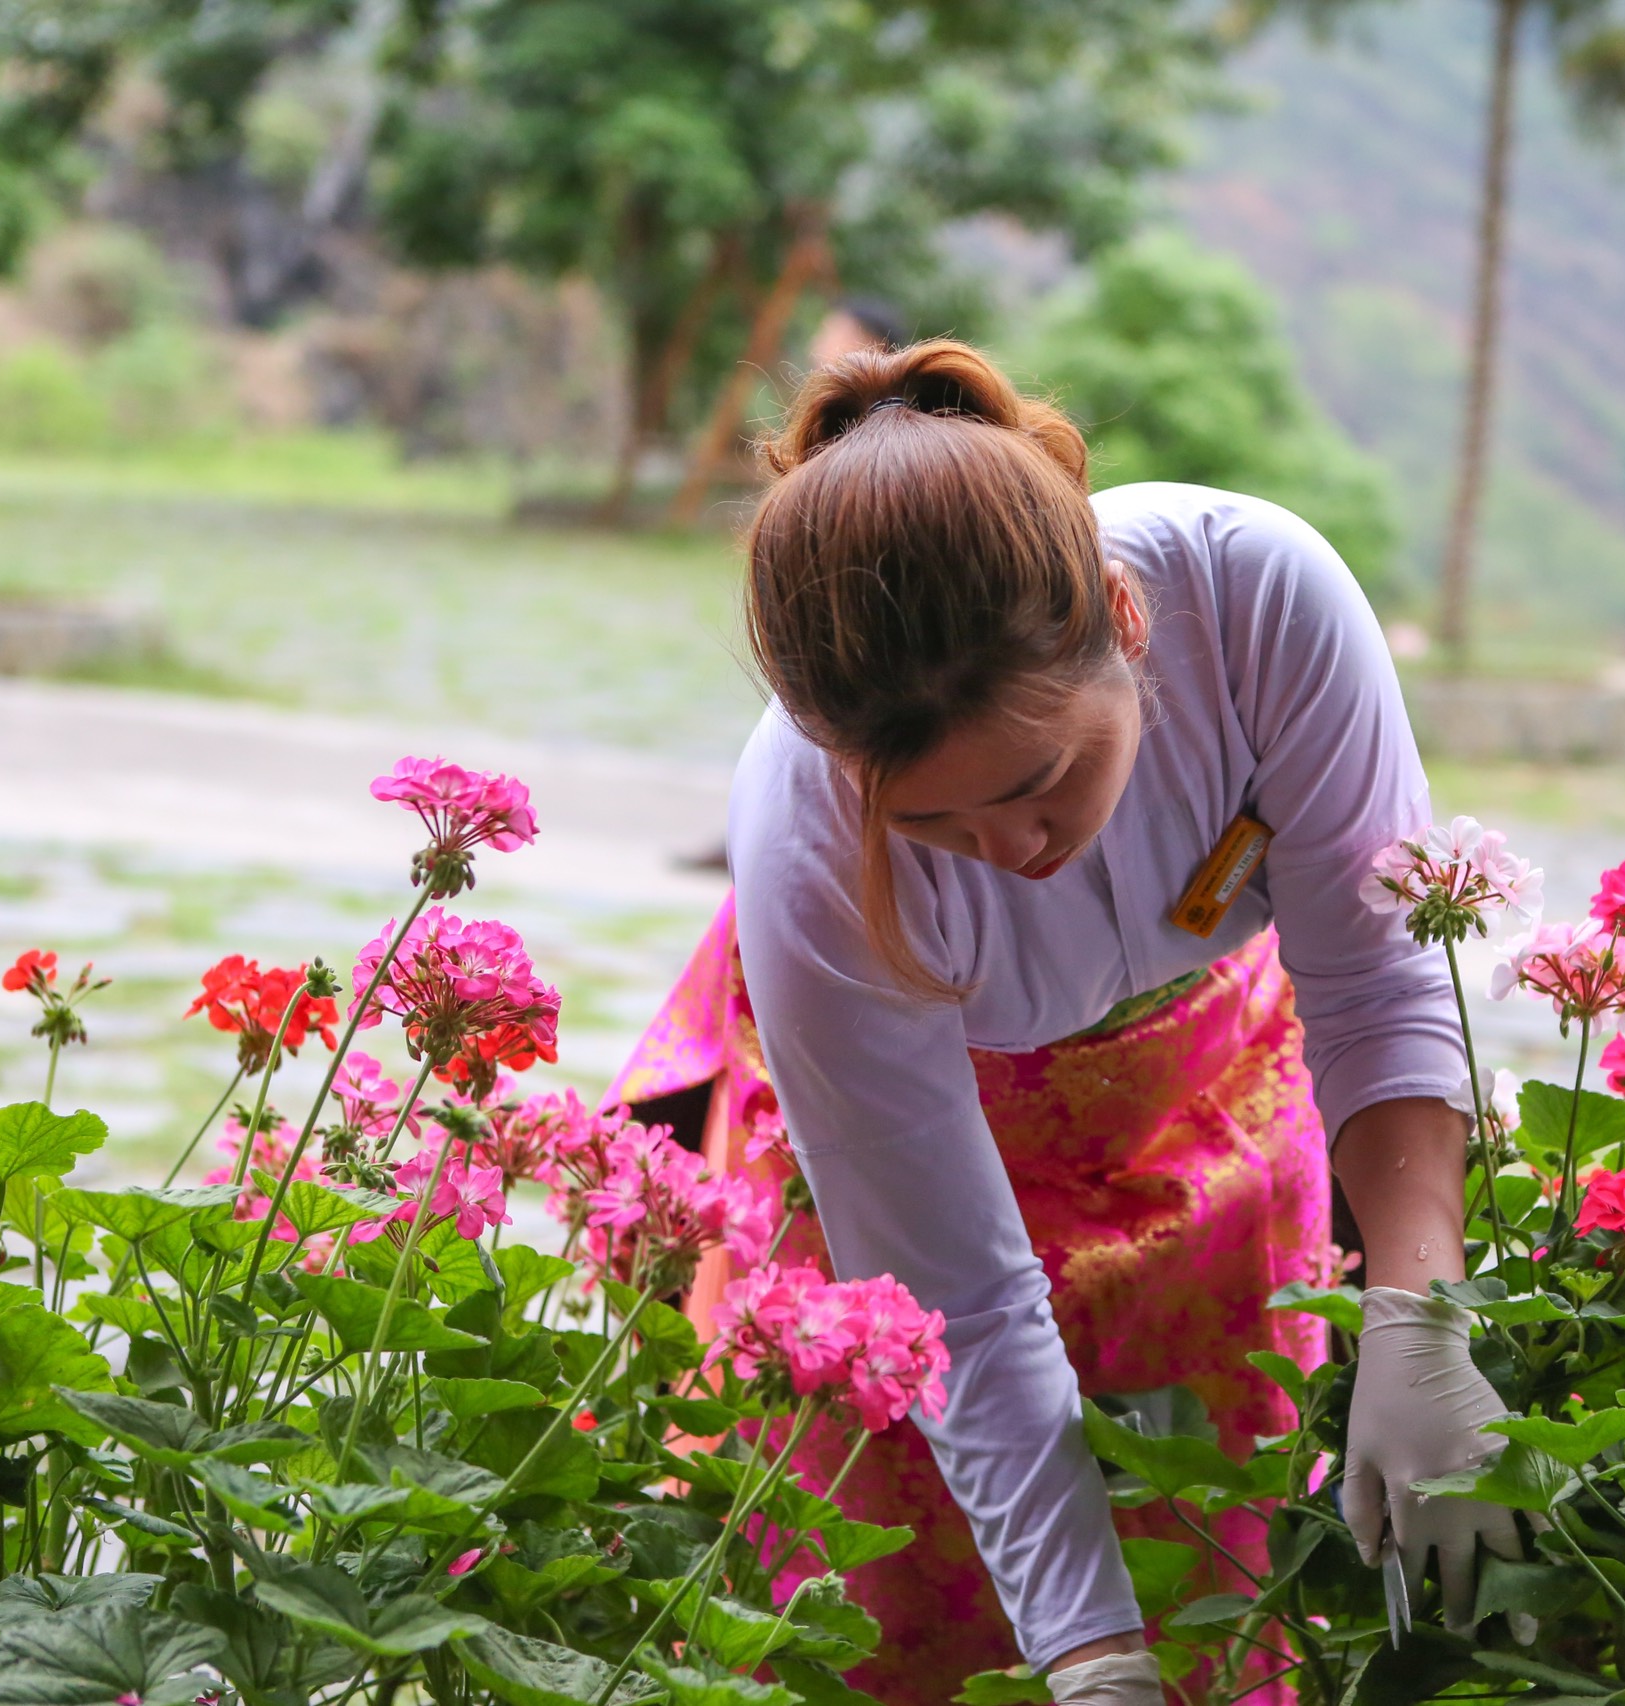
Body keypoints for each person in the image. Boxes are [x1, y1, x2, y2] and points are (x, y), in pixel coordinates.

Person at [608, 340, 1520, 1706]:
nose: (1010, 845)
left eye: (1043, 778)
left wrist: (1417, 1310)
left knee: (1210, 1532)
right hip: (903, 1121)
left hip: (1203, 1093)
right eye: (930, 822)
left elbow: (1379, 987)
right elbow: (956, 1298)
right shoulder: (803, 842)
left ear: (1126, 619)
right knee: (877, 1584)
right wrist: (1091, 1661)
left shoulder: (1263, 602)